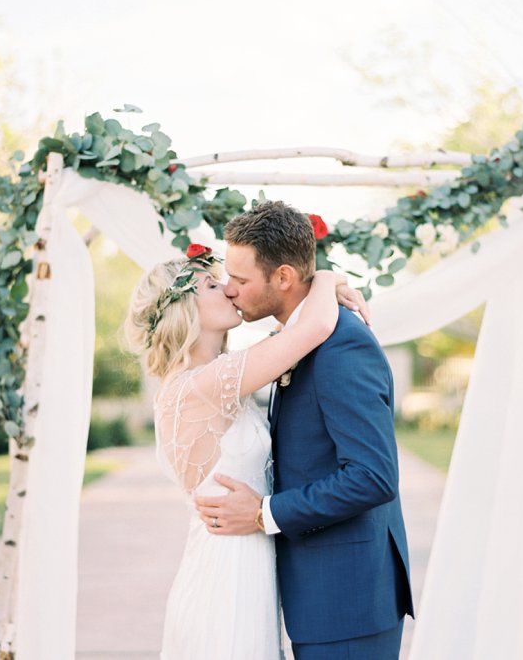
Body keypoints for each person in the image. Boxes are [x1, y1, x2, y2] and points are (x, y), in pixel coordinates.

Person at [123, 240, 368, 659]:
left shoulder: (213, 380)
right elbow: (313, 329)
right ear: (185, 308)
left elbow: (290, 337)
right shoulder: (200, 386)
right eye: (212, 286)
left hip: (242, 558)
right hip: (225, 575)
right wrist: (324, 277)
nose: (230, 290)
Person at [194, 201, 414, 660]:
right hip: (318, 593)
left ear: (284, 277)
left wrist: (262, 513)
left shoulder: (341, 345)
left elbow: (373, 476)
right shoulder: (300, 337)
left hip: (347, 599)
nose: (230, 290)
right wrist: (329, 279)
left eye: (240, 279)